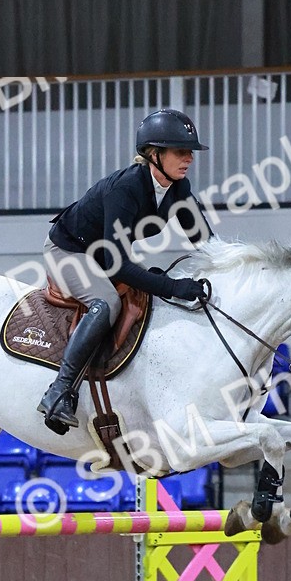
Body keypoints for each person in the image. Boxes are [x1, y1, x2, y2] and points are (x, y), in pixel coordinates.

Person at [37, 107, 213, 434]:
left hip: (105, 255)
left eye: (190, 151)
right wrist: (173, 287)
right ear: (153, 154)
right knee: (107, 303)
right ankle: (59, 392)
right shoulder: (126, 187)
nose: (189, 158)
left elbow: (206, 243)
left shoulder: (179, 191)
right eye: (180, 151)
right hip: (69, 250)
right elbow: (116, 264)